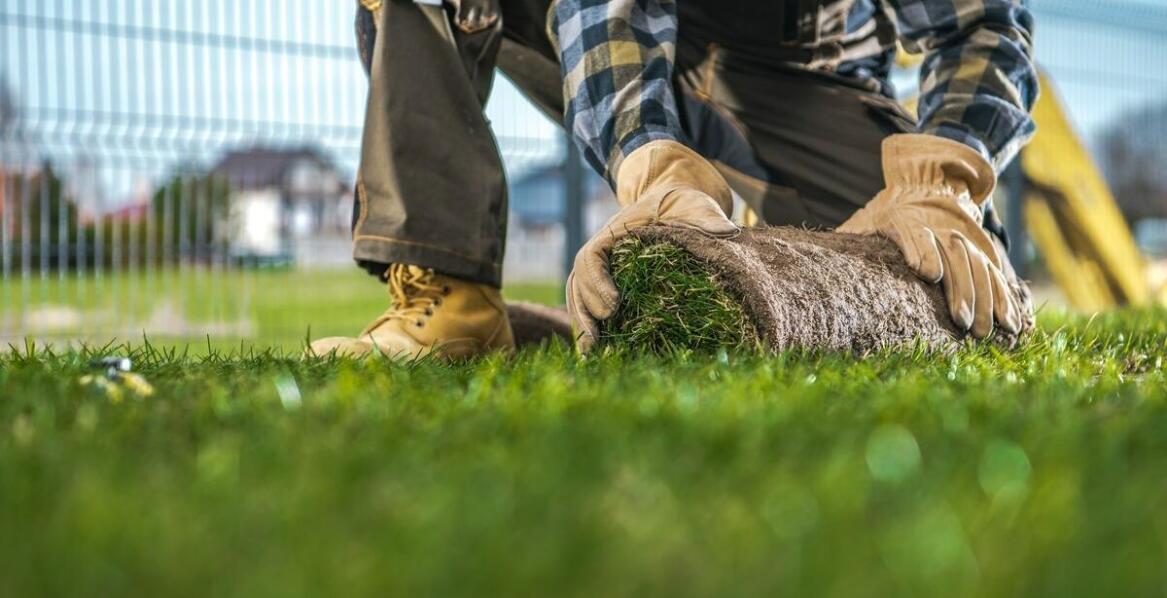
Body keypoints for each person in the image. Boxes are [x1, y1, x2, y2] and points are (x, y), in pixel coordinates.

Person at [309, 0, 1037, 358]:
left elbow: (981, 25)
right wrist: (654, 167)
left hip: (797, 74)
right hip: (627, 40)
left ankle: (758, 278)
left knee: (948, 284)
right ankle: (454, 304)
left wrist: (939, 179)